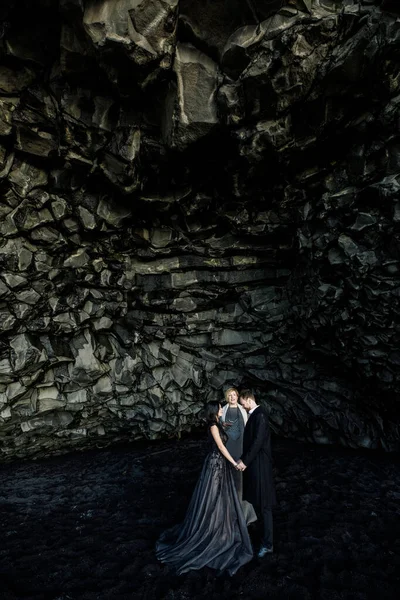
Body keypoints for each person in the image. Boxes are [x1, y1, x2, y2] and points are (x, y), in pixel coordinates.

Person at [156, 401, 253, 575]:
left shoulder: (217, 424)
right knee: (212, 495)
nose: (222, 409)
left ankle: (218, 522)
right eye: (220, 408)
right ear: (215, 411)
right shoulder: (213, 427)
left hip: (219, 463)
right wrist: (233, 462)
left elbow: (223, 430)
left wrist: (228, 425)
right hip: (216, 464)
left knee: (220, 495)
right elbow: (221, 446)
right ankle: (210, 528)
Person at [236, 390, 276, 558]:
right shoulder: (256, 414)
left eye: (242, 401)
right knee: (261, 505)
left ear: (249, 399)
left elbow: (258, 442)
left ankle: (268, 544)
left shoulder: (259, 415)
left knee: (265, 506)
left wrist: (244, 461)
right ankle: (265, 540)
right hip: (257, 465)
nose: (241, 404)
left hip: (260, 466)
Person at [221, 387, 257, 525]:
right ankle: (228, 507)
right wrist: (221, 425)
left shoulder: (244, 410)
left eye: (234, 395)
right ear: (226, 397)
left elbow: (249, 427)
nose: (232, 397)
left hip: (242, 445)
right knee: (228, 474)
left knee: (242, 478)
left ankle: (244, 510)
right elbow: (216, 428)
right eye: (229, 395)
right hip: (228, 446)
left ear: (237, 396)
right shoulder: (222, 410)